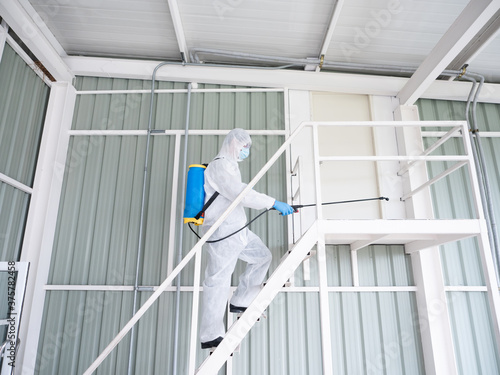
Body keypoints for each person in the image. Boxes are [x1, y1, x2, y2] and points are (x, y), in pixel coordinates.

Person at [199, 128, 294, 349]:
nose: (245, 151)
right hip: (222, 233)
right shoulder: (219, 165)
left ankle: (241, 300)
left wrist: (274, 205)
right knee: (218, 281)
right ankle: (211, 335)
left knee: (262, 256)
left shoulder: (231, 167)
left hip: (237, 230)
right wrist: (272, 203)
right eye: (243, 147)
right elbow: (240, 193)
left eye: (248, 148)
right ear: (232, 143)